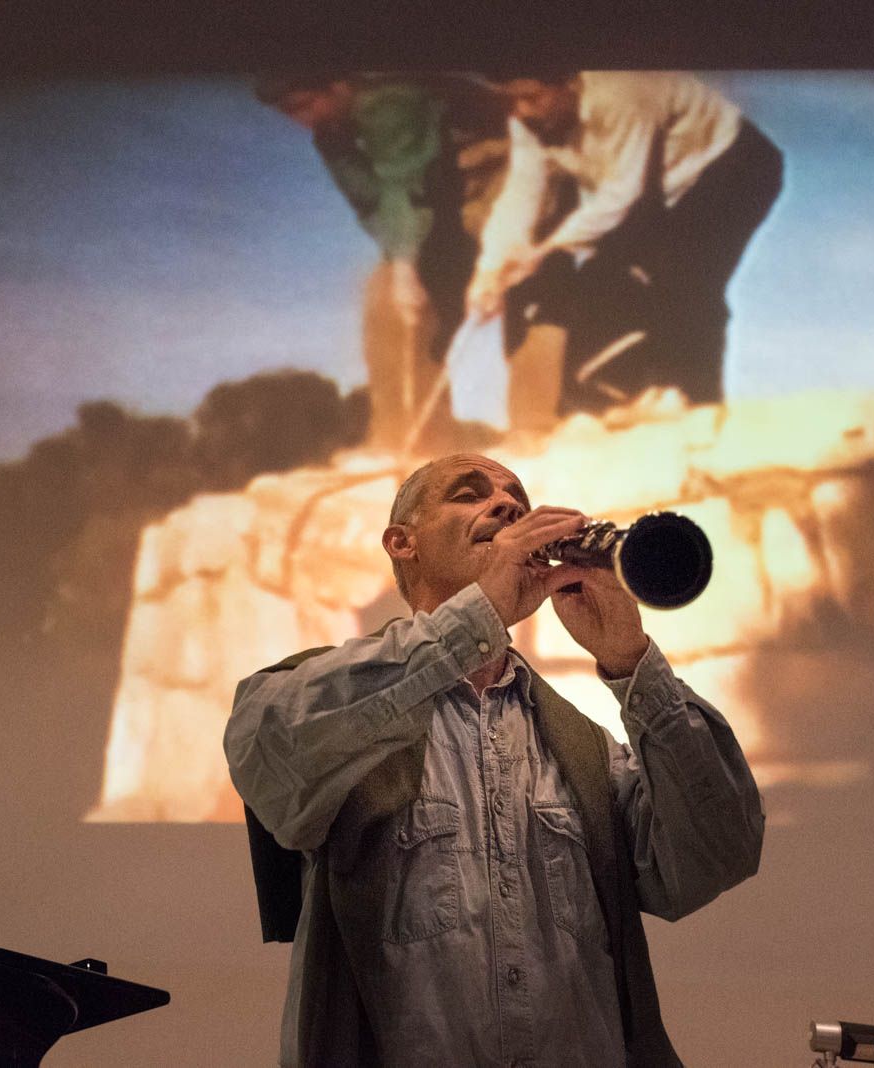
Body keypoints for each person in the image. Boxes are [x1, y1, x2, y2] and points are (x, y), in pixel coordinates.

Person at [224, 453, 765, 1067]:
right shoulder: (334, 699)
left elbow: (720, 851)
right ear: (403, 543)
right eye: (469, 494)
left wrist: (628, 659)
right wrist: (477, 615)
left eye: (517, 498)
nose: (507, 505)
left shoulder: (582, 748)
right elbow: (265, 748)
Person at [469, 71, 784, 416]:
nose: (522, 110)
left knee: (685, 275)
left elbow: (622, 196)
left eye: (532, 98)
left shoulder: (622, 94)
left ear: (568, 84)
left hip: (735, 165)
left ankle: (694, 401)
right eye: (511, 99)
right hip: (667, 188)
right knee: (601, 281)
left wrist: (543, 251)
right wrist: (488, 271)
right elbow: (522, 193)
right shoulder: (527, 122)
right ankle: (604, 402)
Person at [256, 74, 510, 449]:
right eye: (288, 112)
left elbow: (404, 187)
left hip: (499, 170)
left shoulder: (389, 98)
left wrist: (408, 267)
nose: (301, 119)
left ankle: (540, 422)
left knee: (503, 275)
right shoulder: (331, 136)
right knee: (385, 293)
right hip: (436, 196)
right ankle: (410, 439)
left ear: (338, 85)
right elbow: (372, 205)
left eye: (305, 105)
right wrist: (399, 265)